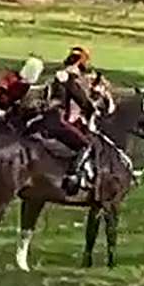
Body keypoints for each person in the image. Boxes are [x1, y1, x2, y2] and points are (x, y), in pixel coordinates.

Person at [40, 46, 98, 194]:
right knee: (86, 145)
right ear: (80, 62)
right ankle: (72, 176)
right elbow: (81, 99)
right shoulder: (69, 78)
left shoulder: (54, 76)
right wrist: (92, 109)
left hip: (43, 118)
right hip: (58, 119)